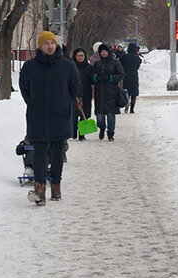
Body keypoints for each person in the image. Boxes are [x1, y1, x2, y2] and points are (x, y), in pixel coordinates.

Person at [18, 30, 81, 204]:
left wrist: (64, 102)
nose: (50, 46)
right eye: (46, 43)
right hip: (37, 114)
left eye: (52, 43)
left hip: (60, 114)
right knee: (39, 151)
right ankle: (39, 190)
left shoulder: (67, 66)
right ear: (40, 46)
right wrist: (34, 103)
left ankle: (56, 187)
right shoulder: (30, 67)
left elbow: (74, 87)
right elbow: (25, 89)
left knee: (57, 151)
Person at [90, 43, 125, 141]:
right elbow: (91, 76)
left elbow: (121, 75)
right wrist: (96, 78)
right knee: (100, 116)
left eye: (105, 51)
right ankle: (101, 128)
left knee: (110, 115)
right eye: (101, 51)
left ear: (109, 52)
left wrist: (110, 78)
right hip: (100, 93)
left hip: (112, 93)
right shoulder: (97, 64)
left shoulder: (115, 63)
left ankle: (110, 133)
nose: (103, 53)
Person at [71, 47, 94, 140]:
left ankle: (82, 133)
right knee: (74, 114)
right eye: (78, 56)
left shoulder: (89, 68)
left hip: (86, 93)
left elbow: (92, 80)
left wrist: (94, 78)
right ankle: (73, 131)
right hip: (73, 92)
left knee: (85, 113)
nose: (80, 57)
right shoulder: (71, 67)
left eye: (82, 55)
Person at [120, 42, 143, 113]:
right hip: (134, 77)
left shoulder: (124, 57)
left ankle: (126, 104)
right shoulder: (136, 57)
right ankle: (132, 109)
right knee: (134, 94)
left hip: (126, 76)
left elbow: (121, 64)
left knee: (126, 92)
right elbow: (138, 64)